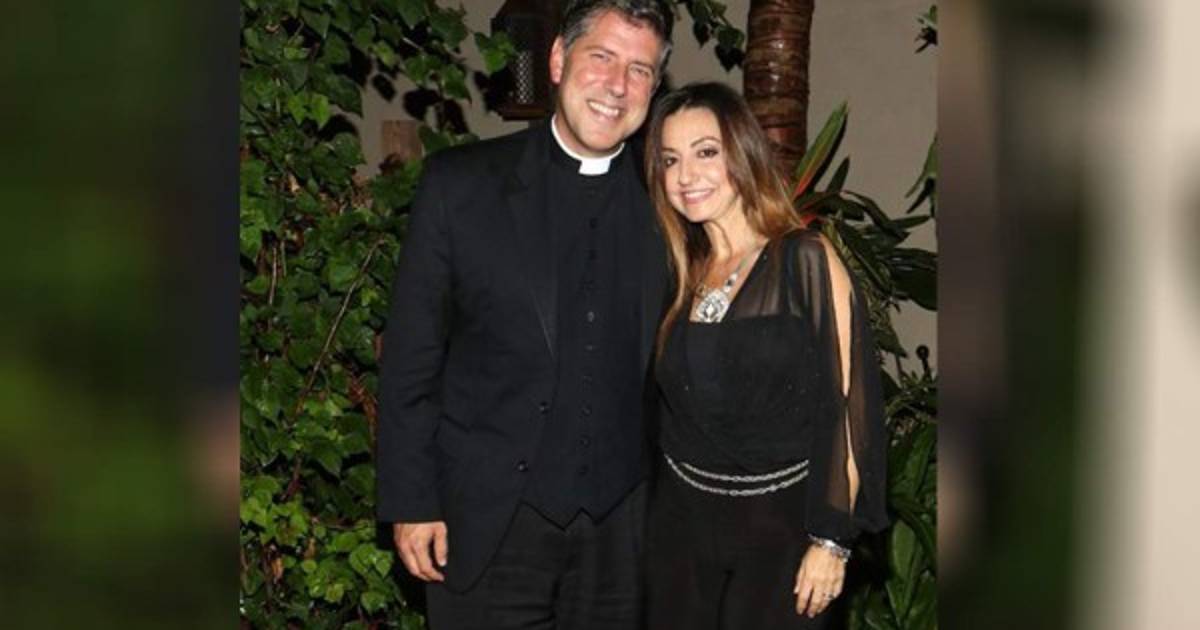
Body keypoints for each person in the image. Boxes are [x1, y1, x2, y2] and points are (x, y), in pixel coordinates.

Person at [374, 1, 673, 628]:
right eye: (602, 57)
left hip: (623, 535)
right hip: (486, 523)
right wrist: (412, 499)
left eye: (640, 70)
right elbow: (410, 360)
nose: (618, 85)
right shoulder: (461, 186)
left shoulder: (673, 202)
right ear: (558, 60)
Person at [641, 82, 890, 629]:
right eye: (670, 159)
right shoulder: (677, 272)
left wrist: (831, 539)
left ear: (743, 154)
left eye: (707, 152)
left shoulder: (804, 259)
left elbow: (848, 405)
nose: (686, 175)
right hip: (679, 530)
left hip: (781, 531)